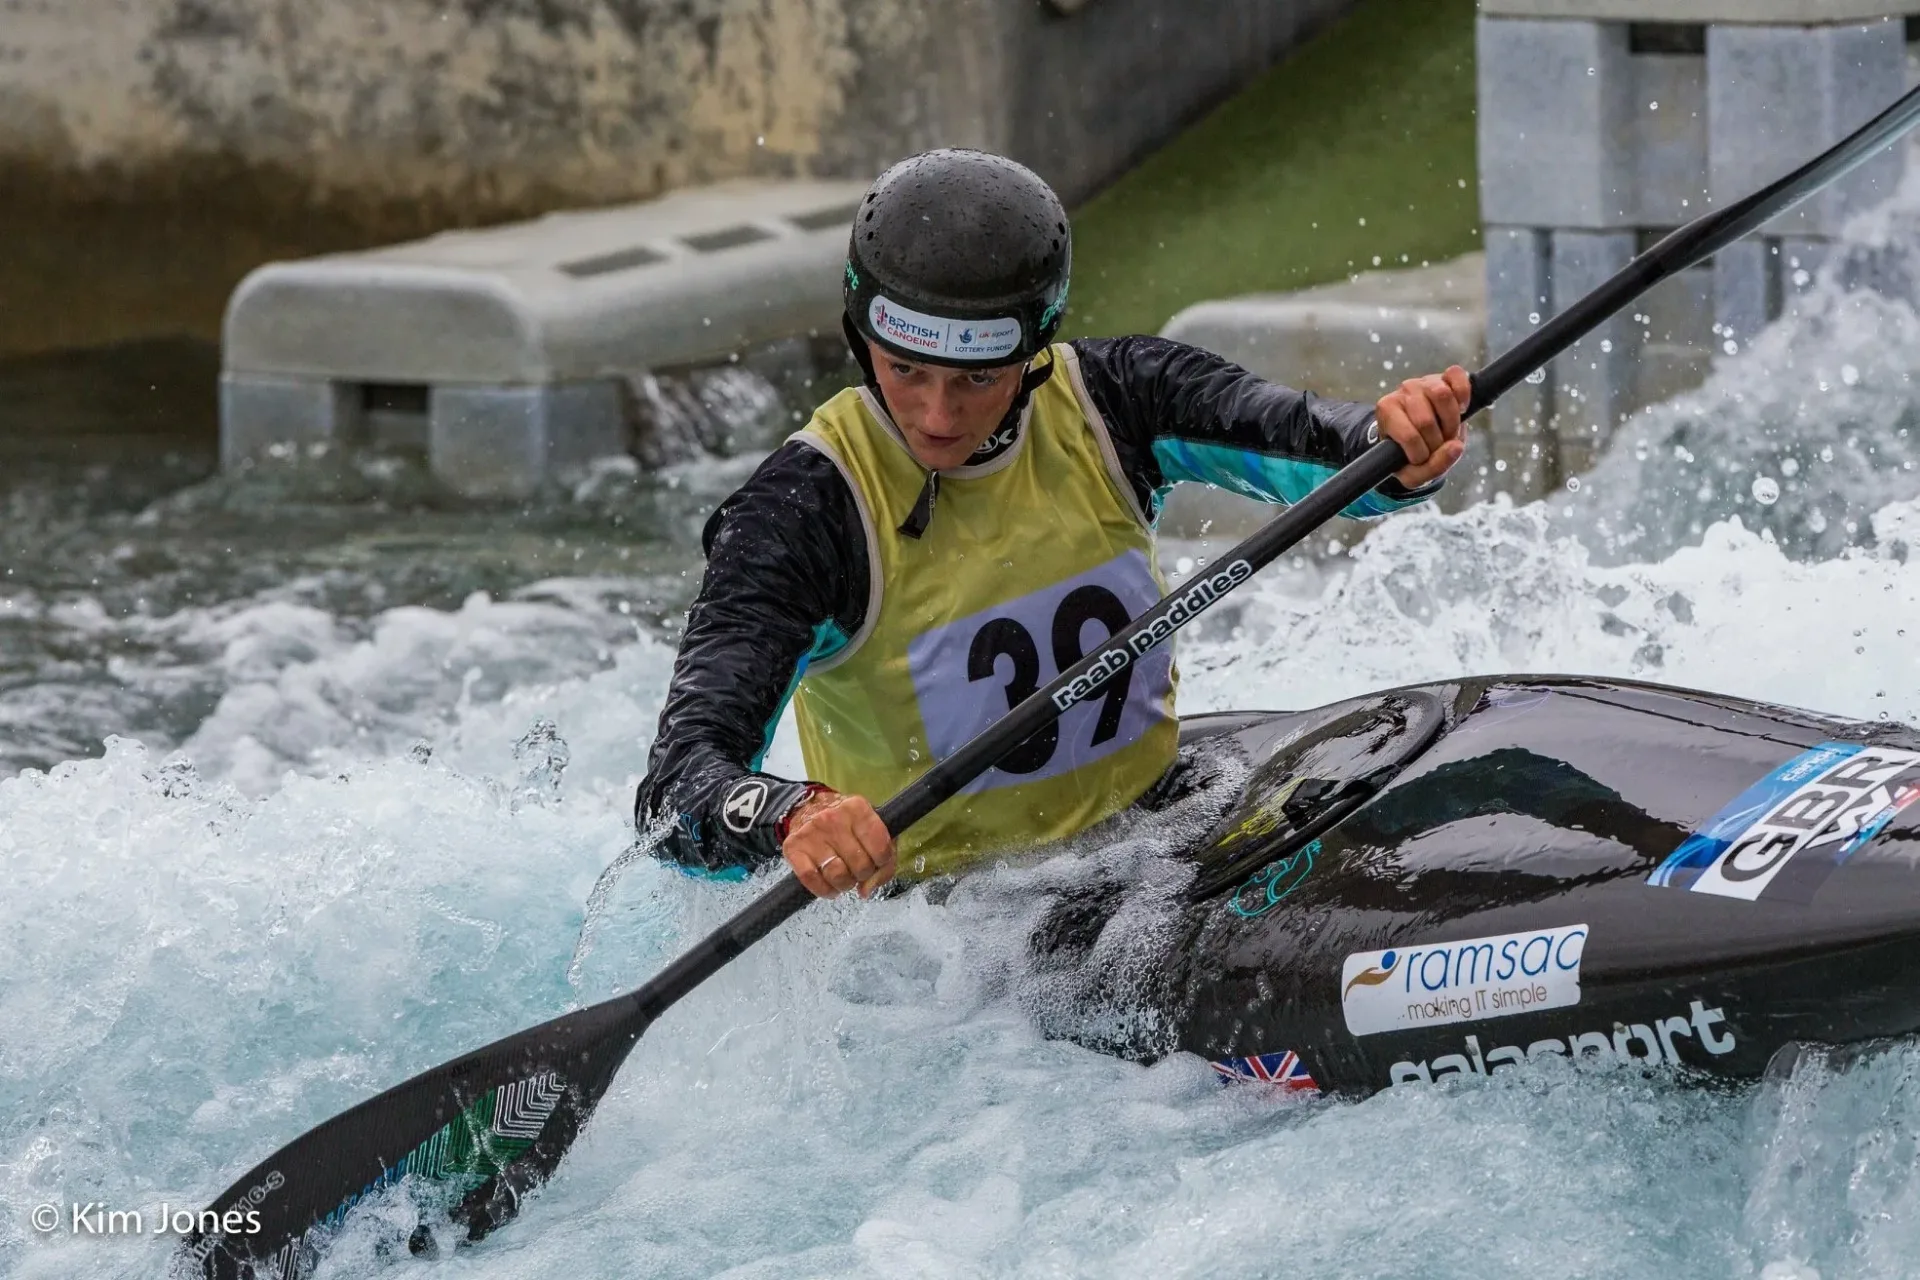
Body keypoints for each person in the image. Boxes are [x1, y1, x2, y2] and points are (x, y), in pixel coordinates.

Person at [635, 148, 1469, 901]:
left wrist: (1397, 442)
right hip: (951, 924)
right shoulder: (802, 512)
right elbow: (675, 789)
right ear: (863, 340)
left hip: (1155, 823)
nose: (935, 415)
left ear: (1034, 349)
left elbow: (1328, 447)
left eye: (976, 379)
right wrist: (789, 812)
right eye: (905, 371)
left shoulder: (1118, 397)